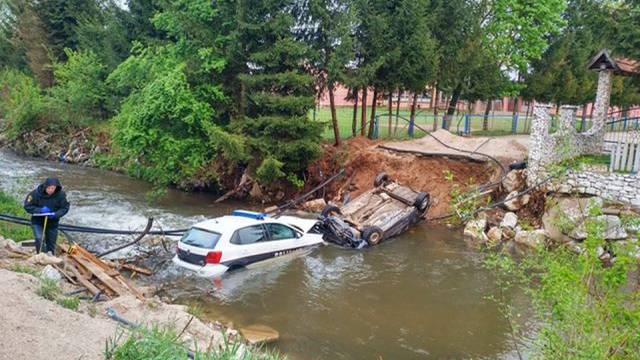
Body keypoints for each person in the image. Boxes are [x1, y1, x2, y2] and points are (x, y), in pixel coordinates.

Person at [23, 178, 70, 255]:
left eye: (53, 188)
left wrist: (56, 214)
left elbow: (64, 208)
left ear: (56, 188)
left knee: (51, 243)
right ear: (45, 186)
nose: (51, 190)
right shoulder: (35, 194)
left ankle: (50, 258)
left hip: (52, 222)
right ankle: (41, 256)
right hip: (37, 221)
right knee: (39, 238)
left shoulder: (61, 195)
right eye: (49, 188)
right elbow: (27, 206)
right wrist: (40, 210)